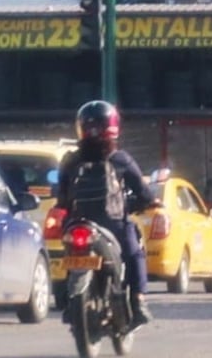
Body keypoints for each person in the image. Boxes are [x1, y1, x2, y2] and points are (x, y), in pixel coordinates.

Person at [55, 100, 158, 328]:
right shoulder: (120, 159)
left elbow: (61, 196)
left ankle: (67, 301)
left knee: (69, 254)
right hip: (113, 224)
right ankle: (138, 301)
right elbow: (143, 192)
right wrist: (151, 202)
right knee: (134, 253)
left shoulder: (70, 160)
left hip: (77, 223)